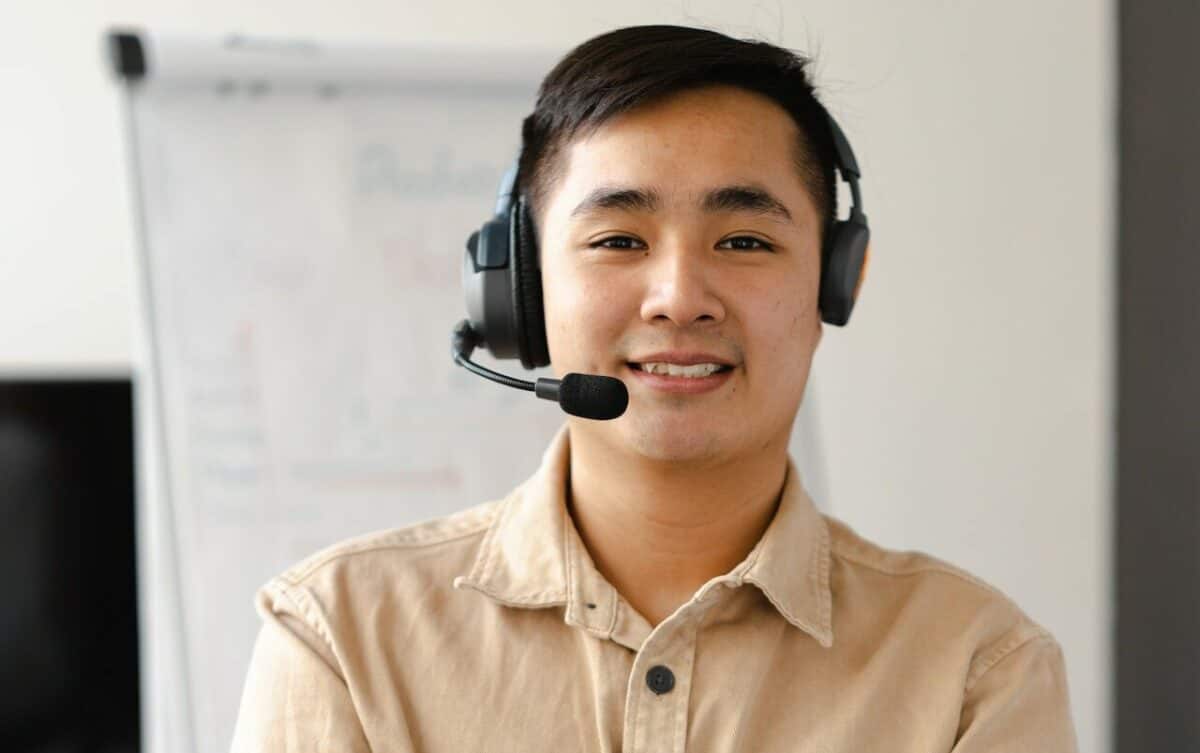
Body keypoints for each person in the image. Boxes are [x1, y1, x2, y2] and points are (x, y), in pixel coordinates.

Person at [231, 25, 1079, 752]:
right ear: (521, 291)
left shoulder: (976, 670)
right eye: (617, 239)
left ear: (833, 285)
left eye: (745, 241)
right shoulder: (341, 638)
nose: (678, 296)